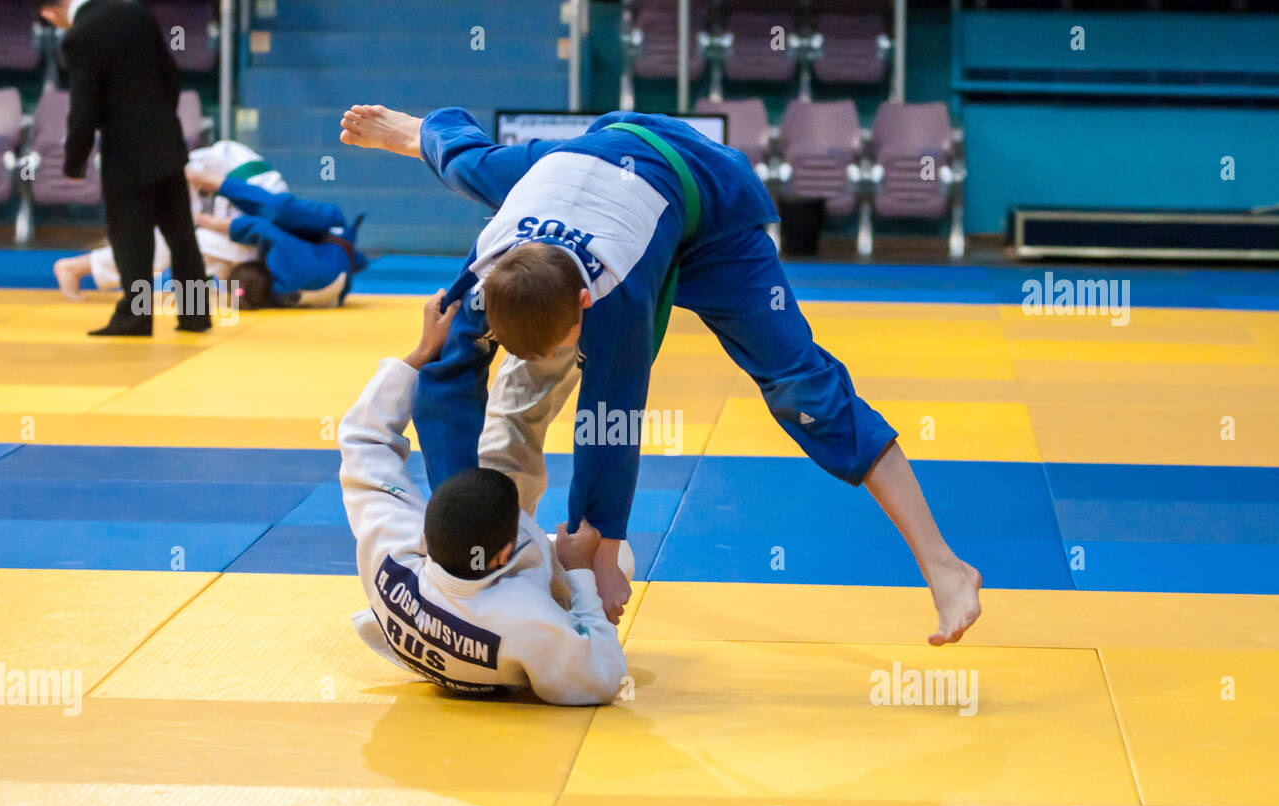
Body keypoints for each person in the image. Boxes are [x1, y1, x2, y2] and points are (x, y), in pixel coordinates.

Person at [340, 103, 982, 646]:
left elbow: (609, 424)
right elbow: (447, 384)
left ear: (584, 309)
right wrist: (454, 533)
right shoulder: (484, 277)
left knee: (802, 387)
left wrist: (606, 552)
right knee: (501, 370)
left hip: (706, 207)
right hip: (578, 168)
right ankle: (486, 572)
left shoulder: (613, 300)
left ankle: (945, 565)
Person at [339, 290, 628, 705]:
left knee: (504, 457)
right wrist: (581, 573)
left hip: (441, 636)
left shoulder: (394, 552)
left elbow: (361, 440)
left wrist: (425, 351)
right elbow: (600, 678)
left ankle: (541, 337)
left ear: (426, 532)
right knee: (618, 561)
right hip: (511, 641)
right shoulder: (530, 618)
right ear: (502, 557)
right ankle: (550, 338)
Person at [36, 0, 210, 335]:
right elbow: (170, 74)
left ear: (49, 13)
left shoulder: (80, 36)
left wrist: (75, 160)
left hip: (126, 149)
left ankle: (136, 317)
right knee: (181, 233)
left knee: (132, 237)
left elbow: (83, 105)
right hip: (166, 139)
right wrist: (161, 118)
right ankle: (195, 314)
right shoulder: (135, 11)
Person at [53, 140, 289, 302]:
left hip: (227, 183)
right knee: (180, 243)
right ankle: (74, 267)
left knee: (206, 246)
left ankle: (76, 267)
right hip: (217, 178)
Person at [184, 168, 368, 309]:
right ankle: (213, 182)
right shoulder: (283, 269)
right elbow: (259, 228)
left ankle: (213, 185)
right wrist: (203, 220)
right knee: (277, 210)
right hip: (331, 231)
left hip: (335, 272)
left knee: (274, 216)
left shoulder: (280, 294)